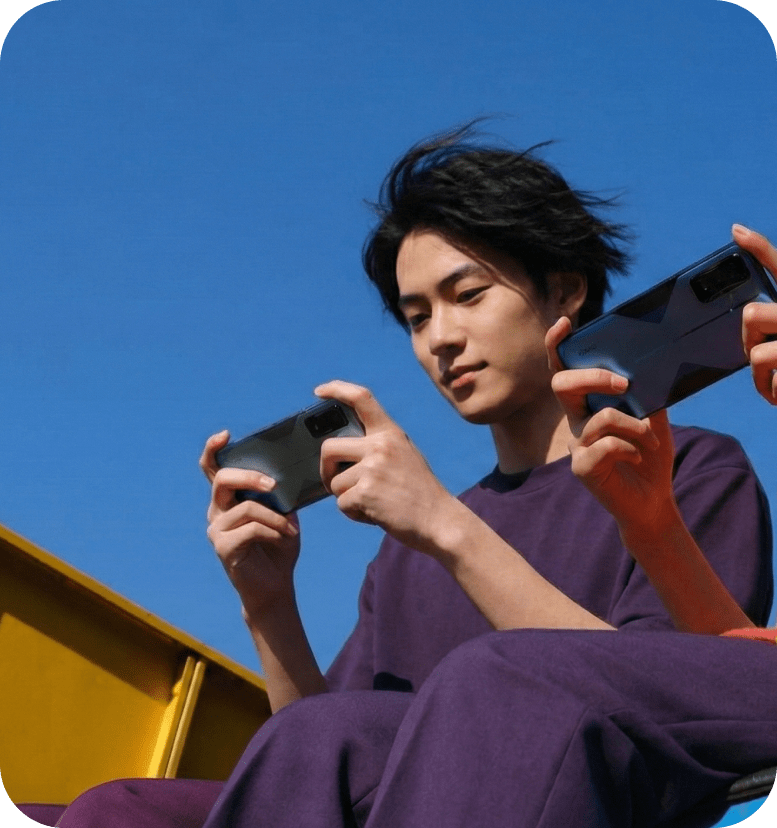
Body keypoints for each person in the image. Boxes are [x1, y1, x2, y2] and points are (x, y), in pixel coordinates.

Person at [38, 127, 775, 828]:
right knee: (114, 807)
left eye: (468, 294)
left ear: (564, 291)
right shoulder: (402, 553)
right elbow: (317, 759)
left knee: (487, 677)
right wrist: (268, 606)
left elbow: (648, 709)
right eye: (415, 317)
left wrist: (445, 529)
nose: (441, 339)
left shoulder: (690, 470)